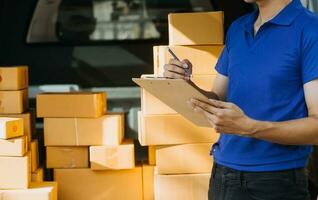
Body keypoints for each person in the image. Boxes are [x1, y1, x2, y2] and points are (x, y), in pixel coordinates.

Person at [163, 0, 318, 199]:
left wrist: (249, 127)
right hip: (224, 176)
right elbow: (216, 100)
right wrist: (182, 84)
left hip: (277, 181)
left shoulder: (311, 29)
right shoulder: (238, 28)